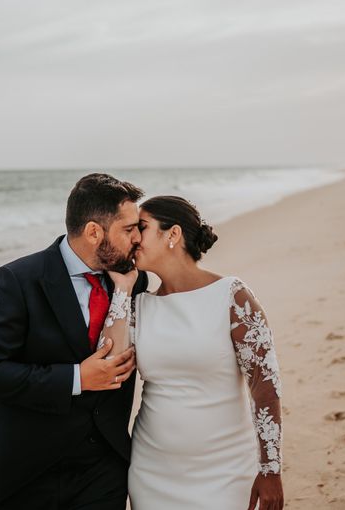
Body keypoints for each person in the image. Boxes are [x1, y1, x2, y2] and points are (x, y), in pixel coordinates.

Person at [0, 173, 150, 510]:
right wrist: (76, 378)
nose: (137, 239)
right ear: (93, 232)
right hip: (27, 470)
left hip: (104, 469)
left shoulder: (133, 280)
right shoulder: (18, 280)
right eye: (128, 229)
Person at [99, 195, 285, 510]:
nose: (133, 238)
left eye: (141, 228)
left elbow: (265, 388)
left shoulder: (232, 297)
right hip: (152, 470)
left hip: (227, 469)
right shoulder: (139, 304)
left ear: (173, 235)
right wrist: (122, 286)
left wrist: (270, 469)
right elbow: (111, 363)